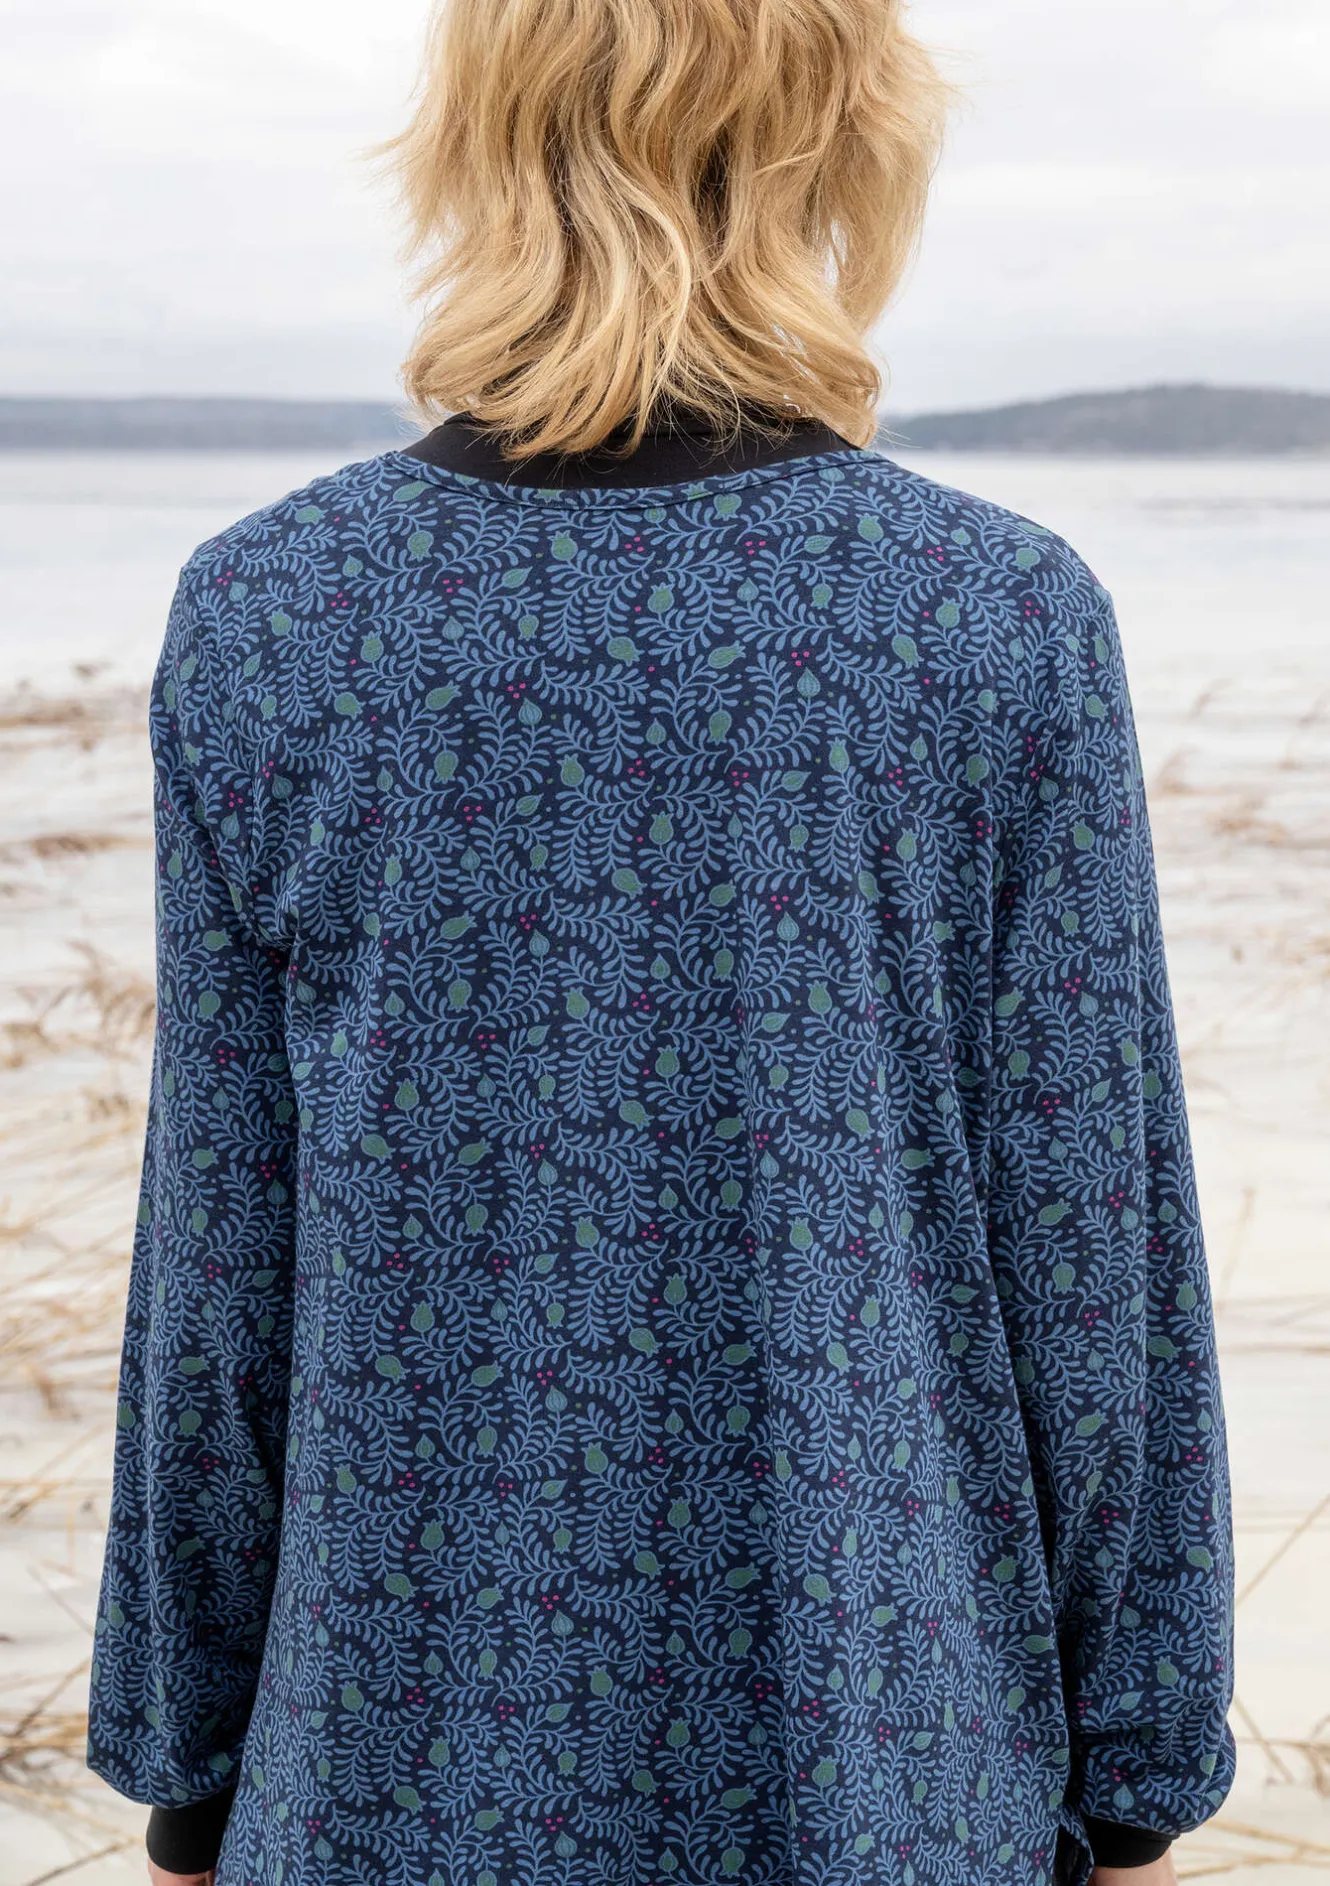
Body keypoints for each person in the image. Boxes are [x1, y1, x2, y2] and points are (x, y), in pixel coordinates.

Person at [84, 0, 1236, 1882]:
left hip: (384, 1775)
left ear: (480, 140)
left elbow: (217, 1256)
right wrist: (1137, 1771)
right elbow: (1094, 1260)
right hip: (881, 1769)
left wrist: (188, 1761)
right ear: (844, 143)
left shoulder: (274, 615)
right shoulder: (993, 619)